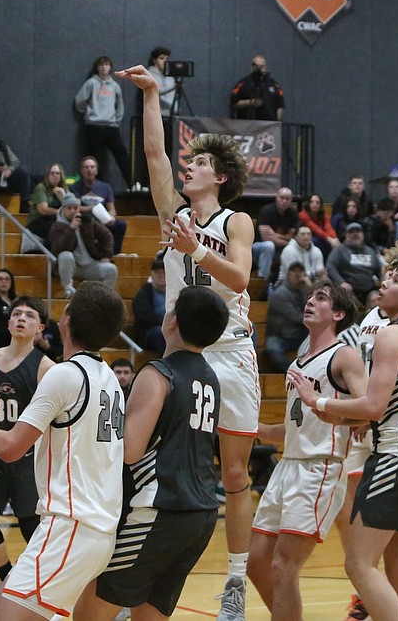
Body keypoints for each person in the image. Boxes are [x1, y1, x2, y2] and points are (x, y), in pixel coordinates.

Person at [124, 62, 259, 620]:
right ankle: (141, 554)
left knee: (233, 473)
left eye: (200, 162)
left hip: (230, 350)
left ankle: (234, 581)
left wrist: (196, 249)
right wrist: (152, 95)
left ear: (219, 177)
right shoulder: (174, 214)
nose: (189, 166)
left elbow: (241, 279)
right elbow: (155, 156)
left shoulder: (235, 221)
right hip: (184, 352)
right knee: (154, 454)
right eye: (192, 159)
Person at [0, 282, 126, 620]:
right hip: (89, 529)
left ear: (64, 321)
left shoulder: (61, 375)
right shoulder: (110, 378)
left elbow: (10, 448)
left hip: (70, 527)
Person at [288, 245, 398, 621]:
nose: (384, 282)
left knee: (359, 564)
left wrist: (321, 403)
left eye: (395, 280)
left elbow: (373, 407)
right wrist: (340, 416)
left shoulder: (392, 335)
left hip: (396, 453)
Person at [74, 286, 233, 621]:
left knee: (89, 613)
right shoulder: (211, 378)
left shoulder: (157, 373)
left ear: (172, 321)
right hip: (202, 513)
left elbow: (130, 451)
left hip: (160, 509)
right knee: (149, 615)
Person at [247, 281, 365, 621]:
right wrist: (257, 430)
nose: (310, 301)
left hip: (320, 467)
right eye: (311, 296)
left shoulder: (344, 355)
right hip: (289, 466)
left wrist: (336, 410)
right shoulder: (299, 361)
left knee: (284, 566)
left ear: (338, 314)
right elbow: (296, 428)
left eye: (321, 298)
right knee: (256, 562)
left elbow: (370, 408)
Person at [0, 296, 53, 584]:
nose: (21, 318)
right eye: (16, 314)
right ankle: (7, 576)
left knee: (31, 526)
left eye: (29, 315)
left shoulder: (46, 367)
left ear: (39, 328)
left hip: (26, 456)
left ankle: (42, 584)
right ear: (8, 322)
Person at [75, 56, 133, 186]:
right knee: (96, 159)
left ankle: (133, 183)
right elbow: (79, 101)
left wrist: (116, 120)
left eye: (106, 64)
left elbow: (120, 106)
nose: (104, 67)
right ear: (97, 68)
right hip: (94, 126)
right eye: (101, 65)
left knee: (122, 155)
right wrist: (89, 113)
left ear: (110, 67)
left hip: (111, 126)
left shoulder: (115, 86)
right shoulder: (91, 83)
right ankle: (98, 187)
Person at [49, 194, 119, 299]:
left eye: (75, 208)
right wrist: (71, 229)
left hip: (89, 263)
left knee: (111, 269)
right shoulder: (56, 226)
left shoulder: (87, 221)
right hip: (70, 266)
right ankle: (68, 288)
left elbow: (107, 235)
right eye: (69, 208)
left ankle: (104, 297)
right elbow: (60, 248)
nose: (73, 211)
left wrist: (106, 255)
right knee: (65, 255)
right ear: (63, 210)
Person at [76, 155, 128, 255]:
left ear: (96, 170)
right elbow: (75, 208)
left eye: (92, 167)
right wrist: (92, 208)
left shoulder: (105, 187)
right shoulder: (75, 187)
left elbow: (112, 209)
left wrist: (111, 217)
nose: (89, 170)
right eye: (86, 167)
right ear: (82, 170)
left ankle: (115, 253)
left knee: (121, 225)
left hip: (102, 219)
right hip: (85, 220)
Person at [265, 262, 311, 372]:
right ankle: (293, 373)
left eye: (300, 272)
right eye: (294, 272)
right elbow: (296, 317)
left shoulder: (303, 291)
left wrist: (309, 288)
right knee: (273, 350)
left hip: (299, 334)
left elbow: (317, 307)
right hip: (280, 335)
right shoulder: (280, 293)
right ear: (288, 274)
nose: (298, 275)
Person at [327, 223, 385, 303]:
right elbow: (330, 266)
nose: (355, 234)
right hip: (348, 290)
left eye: (358, 231)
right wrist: (341, 282)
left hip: (369, 290)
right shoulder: (339, 250)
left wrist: (383, 282)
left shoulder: (370, 251)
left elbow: (379, 270)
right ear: (346, 235)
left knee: (375, 298)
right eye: (351, 232)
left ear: (363, 234)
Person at [254, 187, 300, 283]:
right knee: (269, 246)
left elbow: (292, 237)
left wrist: (275, 235)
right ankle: (262, 281)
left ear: (291, 200)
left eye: (287, 199)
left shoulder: (293, 214)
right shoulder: (266, 211)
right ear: (276, 198)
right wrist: (287, 241)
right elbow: (266, 238)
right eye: (282, 198)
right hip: (259, 247)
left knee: (297, 248)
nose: (284, 201)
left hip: (280, 248)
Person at [26, 163, 71, 246]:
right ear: (47, 175)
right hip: (37, 220)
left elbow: (71, 208)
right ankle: (50, 254)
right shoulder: (41, 187)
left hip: (55, 219)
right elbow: (43, 210)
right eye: (52, 173)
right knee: (55, 227)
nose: (55, 175)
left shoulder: (64, 188)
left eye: (58, 173)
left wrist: (62, 196)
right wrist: (61, 211)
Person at [230, 54, 284, 120]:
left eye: (262, 66)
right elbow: (233, 103)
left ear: (266, 67)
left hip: (269, 126)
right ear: (252, 67)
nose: (259, 69)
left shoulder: (273, 84)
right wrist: (250, 102)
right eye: (257, 66)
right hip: (248, 125)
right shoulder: (244, 83)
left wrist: (276, 122)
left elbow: (280, 105)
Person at [131, 257, 168, 354]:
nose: (160, 276)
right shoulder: (143, 293)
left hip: (170, 328)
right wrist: (166, 322)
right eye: (157, 273)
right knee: (161, 333)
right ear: (152, 274)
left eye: (163, 273)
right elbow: (144, 316)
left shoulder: (174, 292)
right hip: (148, 332)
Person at [300, 193, 340, 260]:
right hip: (307, 237)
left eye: (317, 202)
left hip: (319, 236)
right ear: (308, 204)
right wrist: (329, 239)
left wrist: (334, 238)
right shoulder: (303, 214)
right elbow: (315, 229)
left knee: (329, 243)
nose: (314, 204)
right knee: (317, 241)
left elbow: (328, 227)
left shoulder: (322, 214)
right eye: (312, 202)